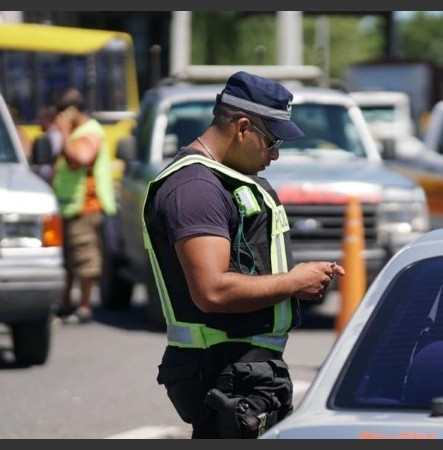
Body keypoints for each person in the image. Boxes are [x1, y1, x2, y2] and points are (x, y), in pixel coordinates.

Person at [144, 71, 345, 439]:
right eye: (271, 141)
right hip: (225, 375)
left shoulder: (219, 179)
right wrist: (293, 282)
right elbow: (212, 291)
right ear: (242, 127)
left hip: (241, 374)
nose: (275, 154)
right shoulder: (195, 189)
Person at [50, 87, 117, 324]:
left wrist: (64, 133)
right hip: (69, 207)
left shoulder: (89, 132)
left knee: (85, 257)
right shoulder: (78, 131)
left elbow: (80, 160)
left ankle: (85, 307)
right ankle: (66, 302)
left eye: (61, 113)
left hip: (85, 208)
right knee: (67, 260)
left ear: (70, 111)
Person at [30, 105, 64, 185]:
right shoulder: (50, 135)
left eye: (41, 119)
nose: (39, 122)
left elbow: (56, 159)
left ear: (48, 119)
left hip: (49, 180)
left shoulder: (55, 137)